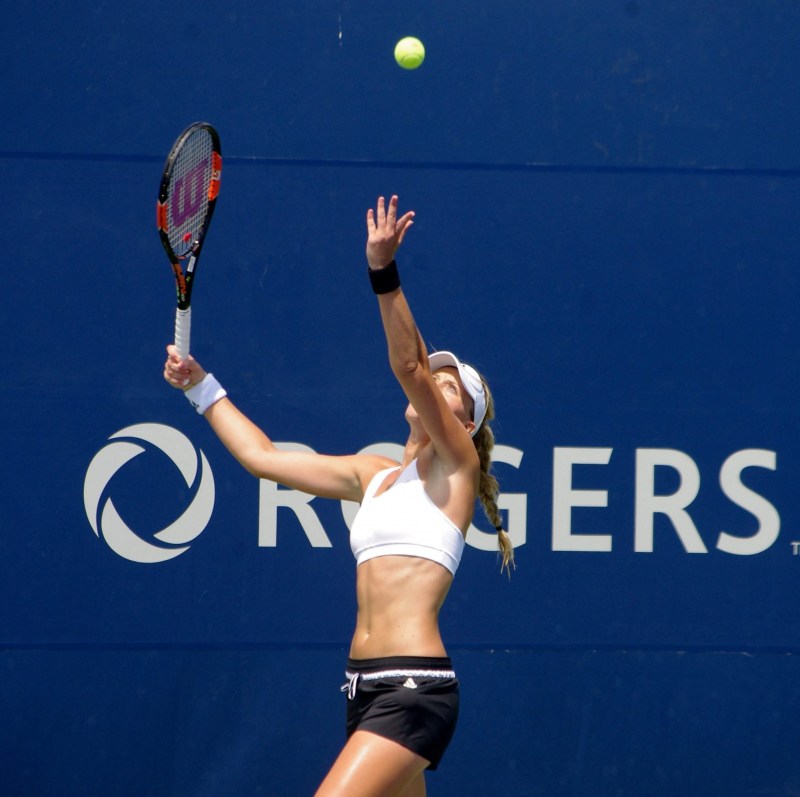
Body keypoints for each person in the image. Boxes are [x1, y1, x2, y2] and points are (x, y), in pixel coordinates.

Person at [163, 195, 514, 797]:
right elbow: (264, 459)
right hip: (363, 689)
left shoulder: (455, 465)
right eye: (437, 374)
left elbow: (409, 363)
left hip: (414, 692)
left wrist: (384, 271)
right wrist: (202, 388)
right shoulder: (372, 475)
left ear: (467, 422)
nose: (433, 380)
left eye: (449, 385)